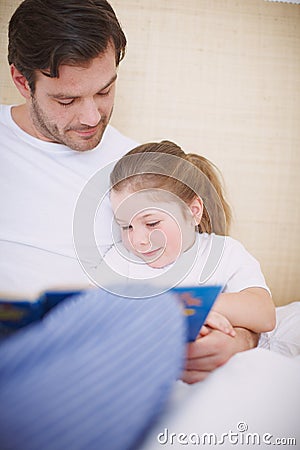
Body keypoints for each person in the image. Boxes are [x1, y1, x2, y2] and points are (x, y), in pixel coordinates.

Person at [0, 0, 258, 402]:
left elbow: (213, 281)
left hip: (102, 359)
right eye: (67, 100)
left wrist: (239, 342)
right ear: (22, 81)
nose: (90, 117)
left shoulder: (137, 172)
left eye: (104, 90)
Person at [97, 140, 276, 361]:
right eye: (126, 226)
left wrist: (194, 307)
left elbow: (264, 314)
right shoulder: (120, 260)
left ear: (193, 212)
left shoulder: (224, 252)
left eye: (152, 223)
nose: (138, 240)